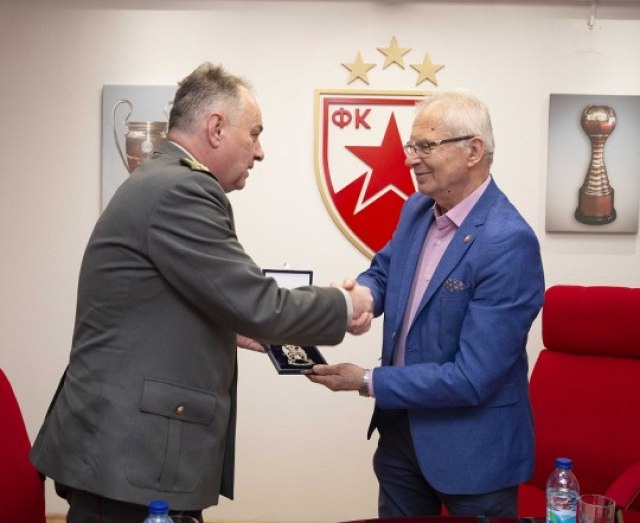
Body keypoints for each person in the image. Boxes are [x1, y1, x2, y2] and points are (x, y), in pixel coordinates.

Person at [30, 62, 373, 523]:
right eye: (254, 134)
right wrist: (347, 304)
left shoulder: (161, 179)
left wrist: (229, 326)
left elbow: (170, 300)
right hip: (131, 457)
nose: (260, 152)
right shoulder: (182, 190)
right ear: (216, 128)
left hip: (124, 450)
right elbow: (259, 304)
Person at [308, 90, 545, 518]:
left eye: (425, 146)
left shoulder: (509, 242)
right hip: (401, 438)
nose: (410, 159)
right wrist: (359, 298)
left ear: (473, 150)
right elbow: (384, 273)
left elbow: (473, 377)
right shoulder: (417, 209)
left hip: (473, 452)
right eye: (411, 146)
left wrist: (366, 380)